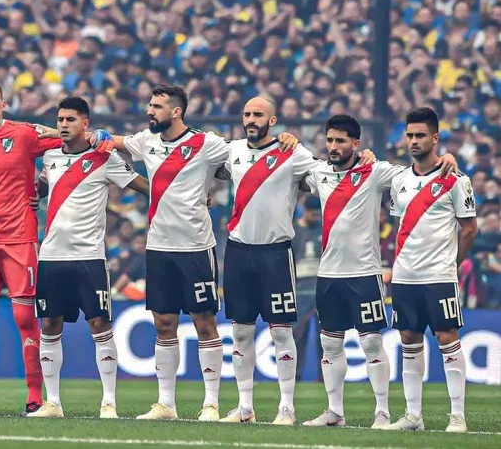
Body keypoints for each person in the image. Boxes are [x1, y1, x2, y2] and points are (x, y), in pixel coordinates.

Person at [93, 85, 295, 421]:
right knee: (163, 323)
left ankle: (211, 404)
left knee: (205, 323)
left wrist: (286, 138)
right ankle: (166, 404)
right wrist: (93, 133)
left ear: (176, 111)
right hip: (158, 247)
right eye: (150, 104)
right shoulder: (147, 141)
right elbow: (113, 140)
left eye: (156, 106)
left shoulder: (208, 144)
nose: (149, 110)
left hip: (197, 248)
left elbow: (252, 154)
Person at [0, 78, 101, 416]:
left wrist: (41, 187)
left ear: (4, 105)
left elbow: (67, 141)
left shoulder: (25, 134)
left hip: (20, 239)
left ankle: (35, 398)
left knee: (25, 319)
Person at [298, 115, 458, 428]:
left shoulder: (374, 171)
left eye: (341, 141)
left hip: (364, 273)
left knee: (371, 343)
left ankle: (382, 411)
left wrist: (445, 160)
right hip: (328, 273)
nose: (333, 146)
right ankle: (335, 412)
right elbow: (289, 168)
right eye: (330, 140)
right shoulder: (318, 171)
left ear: (356, 144)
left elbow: (416, 174)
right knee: (330, 344)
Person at [27, 96, 148, 420]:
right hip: (52, 256)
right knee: (50, 325)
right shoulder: (50, 158)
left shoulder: (103, 157)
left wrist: (181, 193)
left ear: (85, 124)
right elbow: (37, 190)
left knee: (99, 324)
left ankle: (108, 402)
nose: (64, 124)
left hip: (89, 258)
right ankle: (52, 403)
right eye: (61, 119)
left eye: (70, 119)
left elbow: (142, 186)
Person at [219, 97, 326, 425]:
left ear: (273, 119)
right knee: (240, 332)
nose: (251, 119)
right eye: (247, 114)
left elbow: (325, 174)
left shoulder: (292, 153)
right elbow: (198, 168)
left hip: (275, 253)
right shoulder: (232, 150)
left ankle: (286, 408)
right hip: (238, 251)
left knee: (282, 332)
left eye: (258, 115)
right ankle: (245, 408)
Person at [386, 108, 478, 433]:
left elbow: (469, 229)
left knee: (447, 337)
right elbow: (400, 226)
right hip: (405, 276)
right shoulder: (398, 180)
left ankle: (458, 417)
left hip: (439, 276)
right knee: (409, 339)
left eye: (420, 135)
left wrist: (451, 264)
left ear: (435, 138)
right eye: (410, 135)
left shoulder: (455, 179)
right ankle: (413, 416)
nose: (413, 141)